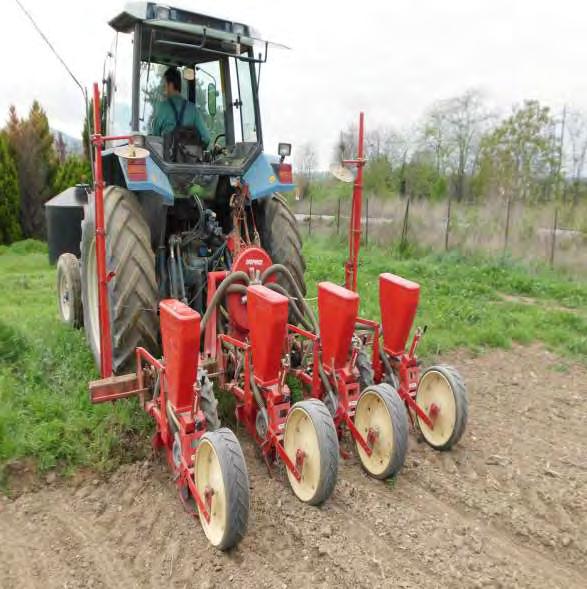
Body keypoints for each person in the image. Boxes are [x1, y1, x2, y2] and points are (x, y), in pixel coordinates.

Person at [151, 67, 210, 148]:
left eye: (164, 85)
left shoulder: (163, 107)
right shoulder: (193, 109)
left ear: (170, 85)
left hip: (165, 160)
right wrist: (195, 152)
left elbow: (154, 138)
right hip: (189, 159)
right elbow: (206, 138)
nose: (163, 88)